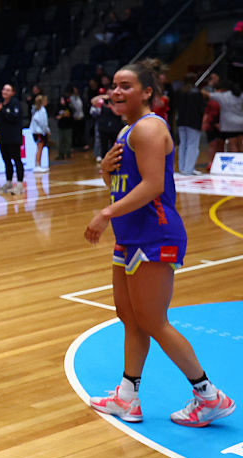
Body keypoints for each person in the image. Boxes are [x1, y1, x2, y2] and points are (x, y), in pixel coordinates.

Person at [85, 59, 235, 427]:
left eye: (126, 86)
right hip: (130, 234)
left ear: (147, 92)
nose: (116, 92)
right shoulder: (128, 131)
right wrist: (105, 173)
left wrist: (105, 213)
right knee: (129, 317)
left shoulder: (150, 128)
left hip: (155, 234)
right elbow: (124, 186)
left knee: (153, 320)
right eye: (114, 86)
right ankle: (127, 397)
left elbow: (153, 186)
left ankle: (209, 396)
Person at [0, 83, 24, 193]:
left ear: (13, 93)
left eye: (8, 90)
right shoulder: (0, 103)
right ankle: (9, 182)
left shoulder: (15, 103)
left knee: (17, 160)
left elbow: (14, 117)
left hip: (13, 137)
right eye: (4, 89)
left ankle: (20, 184)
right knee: (6, 161)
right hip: (2, 137)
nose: (5, 92)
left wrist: (2, 110)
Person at [174, 73, 205, 174]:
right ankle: (189, 169)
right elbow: (201, 109)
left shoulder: (179, 91)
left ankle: (182, 167)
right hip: (193, 122)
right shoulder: (197, 92)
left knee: (183, 144)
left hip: (181, 121)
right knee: (192, 145)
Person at [30, 94, 50, 172]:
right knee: (39, 148)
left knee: (39, 148)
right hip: (39, 132)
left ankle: (38, 164)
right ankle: (37, 165)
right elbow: (43, 122)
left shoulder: (35, 109)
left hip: (36, 131)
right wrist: (47, 130)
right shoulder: (42, 110)